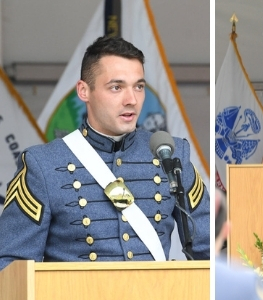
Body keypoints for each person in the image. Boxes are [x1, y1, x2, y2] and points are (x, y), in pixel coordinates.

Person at [0, 36, 210, 270]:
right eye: (116, 87)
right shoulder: (43, 165)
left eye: (139, 87)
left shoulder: (172, 154)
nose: (131, 100)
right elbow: (10, 266)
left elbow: (211, 250)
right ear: (83, 91)